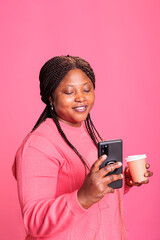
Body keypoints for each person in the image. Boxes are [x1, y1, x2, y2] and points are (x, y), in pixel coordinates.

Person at [12, 55, 153, 240]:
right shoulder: (38, 145)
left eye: (87, 89)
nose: (81, 98)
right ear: (50, 97)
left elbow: (96, 195)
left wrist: (122, 181)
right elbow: (34, 222)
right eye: (69, 92)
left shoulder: (90, 135)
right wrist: (82, 197)